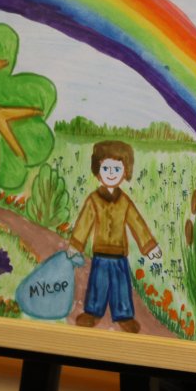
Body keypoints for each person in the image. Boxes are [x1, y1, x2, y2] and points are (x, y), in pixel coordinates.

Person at [67, 140, 161, 333]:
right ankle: (92, 312)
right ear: (98, 170)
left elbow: (137, 223)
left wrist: (149, 247)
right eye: (106, 168)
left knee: (121, 286)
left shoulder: (124, 201)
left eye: (117, 169)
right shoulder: (93, 200)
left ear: (125, 172)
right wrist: (76, 245)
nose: (111, 173)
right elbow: (84, 222)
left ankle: (124, 316)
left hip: (119, 255)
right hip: (100, 253)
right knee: (98, 284)